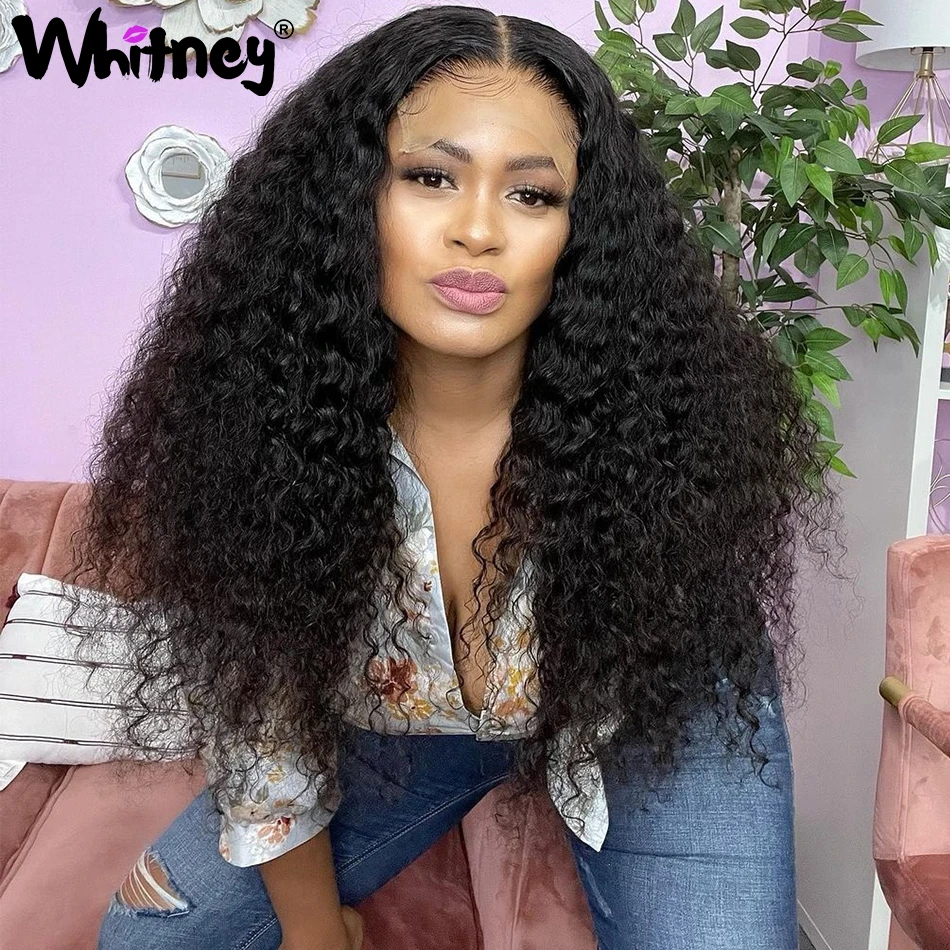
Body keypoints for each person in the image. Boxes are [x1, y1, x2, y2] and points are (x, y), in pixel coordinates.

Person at [63, 5, 845, 949]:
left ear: (582, 231)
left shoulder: (662, 431)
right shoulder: (253, 429)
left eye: (533, 195)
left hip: (639, 704)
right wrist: (317, 932)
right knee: (146, 938)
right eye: (430, 177)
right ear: (349, 196)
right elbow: (264, 714)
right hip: (399, 721)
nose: (477, 231)